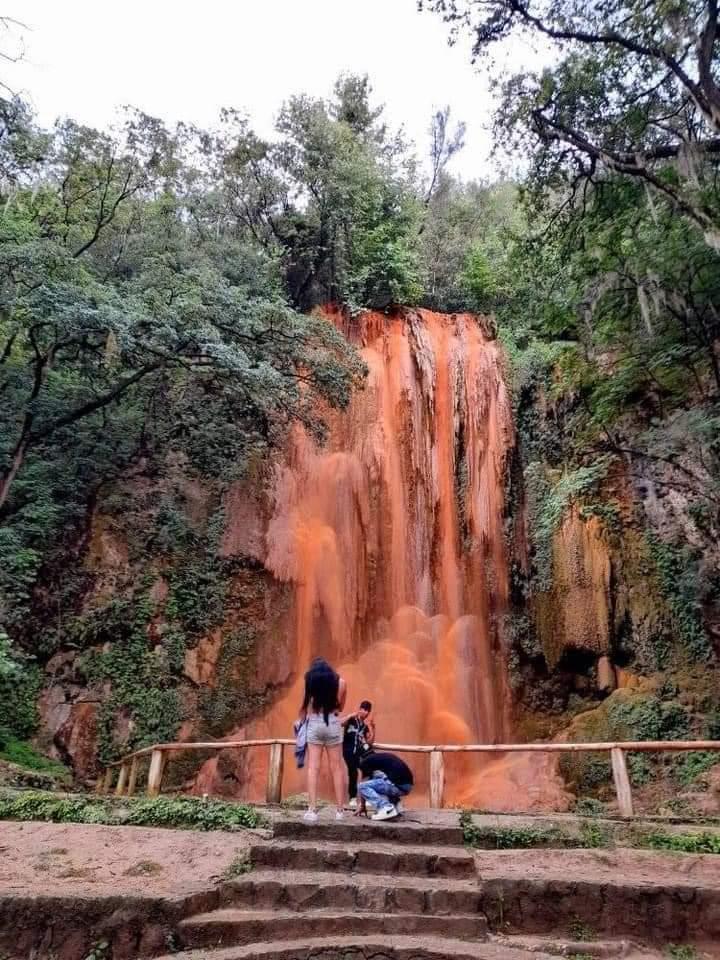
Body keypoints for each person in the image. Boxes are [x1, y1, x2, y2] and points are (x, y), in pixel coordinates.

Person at [298, 657, 347, 823]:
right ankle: (340, 811)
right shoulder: (340, 682)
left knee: (313, 767)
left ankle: (312, 810)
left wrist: (300, 725)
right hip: (333, 722)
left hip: (315, 722)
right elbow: (340, 707)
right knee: (337, 767)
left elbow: (305, 706)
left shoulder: (310, 680)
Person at [357, 748, 414, 821]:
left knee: (362, 786)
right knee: (378, 780)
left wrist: (362, 805)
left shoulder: (364, 762)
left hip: (396, 785)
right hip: (407, 786)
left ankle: (385, 808)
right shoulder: (380, 758)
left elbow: (362, 783)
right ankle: (396, 806)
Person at [341, 700, 375, 809]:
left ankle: (367, 797)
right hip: (348, 750)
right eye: (364, 709)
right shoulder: (351, 720)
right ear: (360, 709)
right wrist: (351, 714)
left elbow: (369, 743)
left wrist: (373, 729)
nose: (365, 712)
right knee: (353, 772)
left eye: (367, 711)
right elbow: (341, 723)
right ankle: (352, 798)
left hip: (359, 752)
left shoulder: (364, 727)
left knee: (368, 770)